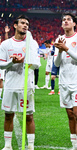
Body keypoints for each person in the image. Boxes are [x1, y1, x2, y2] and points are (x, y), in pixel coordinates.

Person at [0, 14, 40, 150]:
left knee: (29, 116)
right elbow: (1, 64)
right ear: (15, 25)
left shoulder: (32, 43)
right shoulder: (6, 44)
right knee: (8, 115)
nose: (25, 26)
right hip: (10, 85)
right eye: (22, 23)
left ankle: (30, 146)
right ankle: (7, 146)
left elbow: (37, 64)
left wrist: (24, 61)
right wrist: (12, 61)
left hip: (26, 85)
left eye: (27, 24)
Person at [54, 13, 77, 150]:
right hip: (64, 81)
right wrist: (60, 51)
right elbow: (56, 63)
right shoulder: (59, 38)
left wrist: (66, 48)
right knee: (69, 114)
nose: (66, 21)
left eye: (69, 20)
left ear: (74, 24)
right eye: (64, 20)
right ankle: (74, 144)